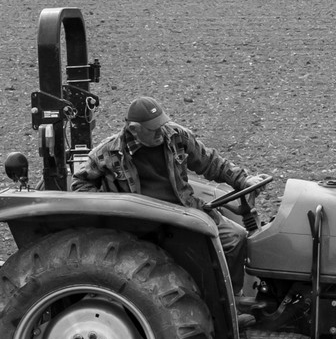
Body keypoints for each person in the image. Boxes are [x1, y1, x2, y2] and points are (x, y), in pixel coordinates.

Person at [72, 97, 260, 304]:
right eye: (153, 129)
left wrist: (244, 180)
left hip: (184, 210)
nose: (161, 132)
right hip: (145, 223)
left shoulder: (175, 136)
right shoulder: (108, 153)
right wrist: (113, 208)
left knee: (235, 237)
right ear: (134, 129)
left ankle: (233, 302)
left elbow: (210, 163)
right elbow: (81, 183)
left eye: (162, 124)